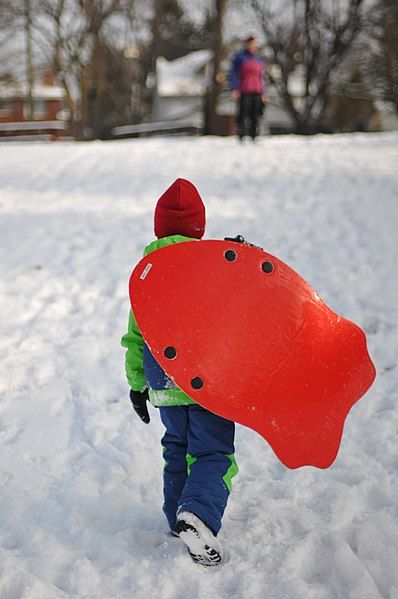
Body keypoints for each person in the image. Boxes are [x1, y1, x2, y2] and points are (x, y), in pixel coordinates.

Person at [121, 178, 238, 566]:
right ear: (199, 227)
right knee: (213, 450)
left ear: (158, 228)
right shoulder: (213, 265)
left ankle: (177, 518)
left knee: (177, 447)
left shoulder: (146, 273)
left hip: (163, 379)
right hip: (207, 379)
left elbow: (135, 337)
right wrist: (240, 258)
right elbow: (245, 308)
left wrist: (137, 385)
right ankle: (199, 516)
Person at [230, 35, 269, 140]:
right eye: (250, 45)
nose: (253, 47)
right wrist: (234, 88)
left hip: (257, 90)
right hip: (244, 89)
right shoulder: (240, 58)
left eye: (254, 45)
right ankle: (241, 135)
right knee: (243, 112)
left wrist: (265, 92)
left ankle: (254, 135)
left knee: (256, 113)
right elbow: (234, 74)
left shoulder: (259, 59)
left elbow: (262, 77)